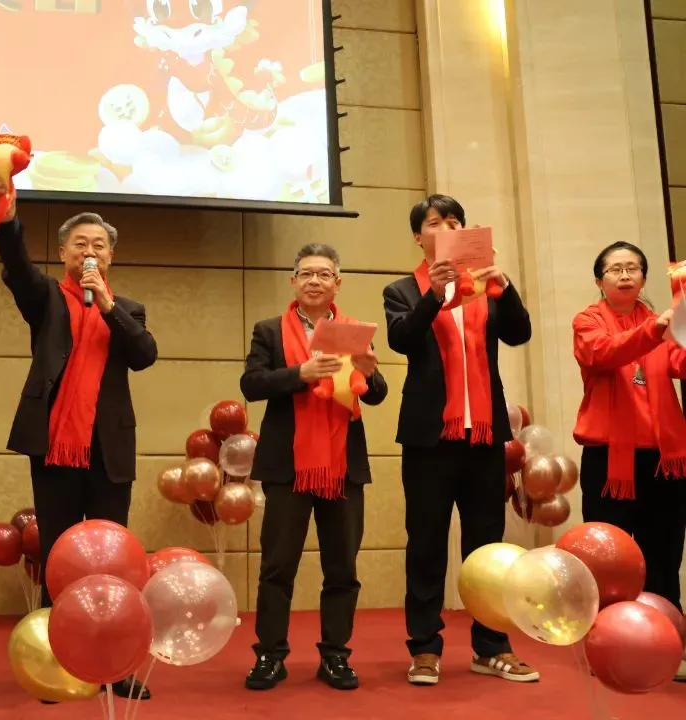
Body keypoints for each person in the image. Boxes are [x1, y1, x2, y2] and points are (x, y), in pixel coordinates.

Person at [0, 174, 158, 700]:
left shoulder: (126, 309)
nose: (89, 252)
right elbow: (16, 267)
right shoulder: (46, 300)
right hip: (54, 446)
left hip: (108, 450)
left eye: (99, 245)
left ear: (111, 257)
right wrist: (6, 211)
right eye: (80, 244)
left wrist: (107, 305)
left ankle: (114, 664)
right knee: (60, 557)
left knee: (110, 560)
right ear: (62, 253)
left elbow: (144, 355)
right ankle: (60, 663)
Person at [383, 195, 538, 686]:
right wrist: (435, 294)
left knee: (487, 546)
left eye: (455, 221)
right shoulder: (403, 290)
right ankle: (425, 648)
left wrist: (503, 286)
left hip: (484, 434)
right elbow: (401, 338)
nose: (446, 228)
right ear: (419, 237)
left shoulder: (486, 287)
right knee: (426, 543)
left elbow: (520, 333)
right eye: (435, 223)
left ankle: (491, 646)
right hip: (429, 437)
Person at [241, 244, 387, 692]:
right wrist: (299, 374)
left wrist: (370, 371)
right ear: (293, 282)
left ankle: (335, 656)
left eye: (324, 274)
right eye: (306, 273)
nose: (314, 281)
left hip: (343, 466)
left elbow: (377, 394)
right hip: (287, 465)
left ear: (337, 283)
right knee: (277, 566)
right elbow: (251, 384)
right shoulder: (269, 330)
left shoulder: (354, 332)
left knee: (342, 567)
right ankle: (270, 656)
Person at [572, 242, 686, 618]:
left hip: (663, 462)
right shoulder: (587, 321)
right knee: (610, 560)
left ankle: (666, 633)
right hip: (608, 462)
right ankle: (608, 633)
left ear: (644, 278)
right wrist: (653, 330)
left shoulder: (663, 323)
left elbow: (680, 363)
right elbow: (603, 352)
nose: (625, 275)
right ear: (599, 281)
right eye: (615, 269)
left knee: (663, 557)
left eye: (632, 268)